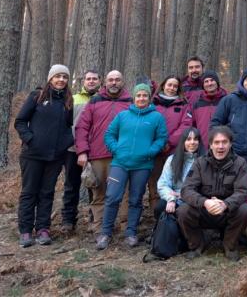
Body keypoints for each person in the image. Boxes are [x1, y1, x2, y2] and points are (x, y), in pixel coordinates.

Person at [96, 83, 168, 249]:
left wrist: (150, 152)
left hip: (142, 165)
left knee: (136, 199)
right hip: (120, 163)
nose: (141, 98)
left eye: (145, 96)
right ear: (134, 98)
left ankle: (131, 233)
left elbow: (161, 138)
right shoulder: (122, 116)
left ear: (149, 98)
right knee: (112, 197)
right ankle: (105, 233)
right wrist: (117, 150)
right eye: (138, 96)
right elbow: (109, 135)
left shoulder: (156, 117)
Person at [15, 65, 74, 247]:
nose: (61, 80)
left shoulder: (67, 101)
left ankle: (43, 229)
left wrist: (66, 143)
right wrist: (30, 139)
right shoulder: (37, 96)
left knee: (47, 193)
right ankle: (25, 231)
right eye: (58, 76)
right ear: (50, 78)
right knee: (29, 192)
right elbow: (20, 121)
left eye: (64, 77)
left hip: (55, 157)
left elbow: (69, 126)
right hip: (32, 155)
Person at [178, 125, 247, 261]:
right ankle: (197, 246)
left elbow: (243, 191)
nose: (221, 146)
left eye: (224, 142)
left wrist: (225, 204)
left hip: (228, 210)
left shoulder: (240, 163)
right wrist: (205, 202)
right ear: (210, 145)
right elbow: (186, 189)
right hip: (205, 209)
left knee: (245, 210)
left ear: (230, 144)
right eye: (216, 143)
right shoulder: (200, 163)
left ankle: (230, 246)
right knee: (183, 210)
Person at [75, 70, 132, 229]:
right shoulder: (94, 101)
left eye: (117, 80)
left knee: (125, 192)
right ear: (105, 82)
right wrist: (82, 151)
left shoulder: (130, 102)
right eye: (111, 80)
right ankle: (99, 228)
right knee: (99, 192)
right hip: (98, 154)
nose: (114, 83)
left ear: (123, 82)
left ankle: (124, 226)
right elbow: (82, 127)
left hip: (124, 156)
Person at [61, 69, 100, 233]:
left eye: (94, 79)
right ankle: (68, 221)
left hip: (96, 150)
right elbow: (64, 124)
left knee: (95, 186)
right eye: (88, 79)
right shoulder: (73, 99)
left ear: (100, 81)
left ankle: (95, 219)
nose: (91, 81)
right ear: (83, 81)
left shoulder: (102, 99)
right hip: (73, 150)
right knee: (71, 185)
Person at [148, 75, 193, 214]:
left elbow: (186, 125)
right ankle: (156, 215)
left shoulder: (183, 104)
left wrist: (169, 141)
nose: (172, 88)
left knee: (174, 181)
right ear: (163, 86)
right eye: (169, 85)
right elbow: (147, 124)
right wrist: (158, 143)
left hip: (174, 150)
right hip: (154, 150)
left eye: (175, 86)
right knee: (154, 183)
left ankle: (174, 212)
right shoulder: (152, 103)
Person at [155, 128, 203, 220]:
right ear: (183, 141)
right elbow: (163, 184)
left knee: (185, 211)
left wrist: (187, 196)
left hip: (195, 199)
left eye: (195, 139)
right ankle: (160, 230)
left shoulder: (204, 161)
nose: (192, 142)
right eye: (188, 139)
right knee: (160, 207)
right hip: (175, 197)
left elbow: (208, 188)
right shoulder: (172, 159)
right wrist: (171, 199)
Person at [188, 69, 228, 138]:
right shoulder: (197, 104)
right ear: (203, 85)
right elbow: (191, 126)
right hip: (202, 145)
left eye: (212, 80)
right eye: (206, 81)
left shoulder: (226, 101)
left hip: (221, 145)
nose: (209, 83)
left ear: (217, 82)